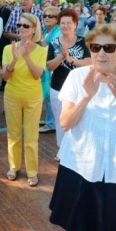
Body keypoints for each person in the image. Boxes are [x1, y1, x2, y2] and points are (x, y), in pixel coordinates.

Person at [49, 24, 116, 230]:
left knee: (108, 223)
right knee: (75, 223)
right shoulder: (78, 76)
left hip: (114, 166)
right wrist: (86, 96)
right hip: (79, 164)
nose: (101, 53)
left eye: (109, 48)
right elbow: (65, 123)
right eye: (95, 48)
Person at [2, 13, 47, 187]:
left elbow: (37, 75)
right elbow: (5, 77)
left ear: (34, 29)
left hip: (33, 97)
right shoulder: (8, 49)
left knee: (31, 136)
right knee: (13, 134)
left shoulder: (42, 50)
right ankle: (13, 167)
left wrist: (26, 56)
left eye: (26, 26)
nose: (21, 28)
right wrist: (14, 59)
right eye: (19, 25)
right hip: (12, 95)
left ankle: (32, 171)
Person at [46, 9, 92, 160]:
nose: (65, 26)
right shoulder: (53, 43)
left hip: (79, 88)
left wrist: (72, 60)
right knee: (61, 121)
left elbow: (89, 62)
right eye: (62, 23)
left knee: (79, 120)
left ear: (75, 24)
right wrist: (61, 56)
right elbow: (49, 66)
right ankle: (62, 150)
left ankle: (78, 149)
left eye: (69, 23)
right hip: (58, 88)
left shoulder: (83, 41)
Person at [38, 6, 61, 133]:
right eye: (45, 16)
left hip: (53, 67)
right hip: (46, 66)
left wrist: (40, 38)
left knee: (51, 95)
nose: (46, 18)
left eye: (50, 16)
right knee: (47, 94)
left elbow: (48, 49)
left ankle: (51, 123)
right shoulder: (47, 30)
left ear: (57, 19)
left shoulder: (58, 32)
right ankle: (49, 119)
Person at [0, 0, 12, 91]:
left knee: (3, 60)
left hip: (3, 39)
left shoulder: (7, 12)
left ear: (3, 2)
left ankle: (4, 81)